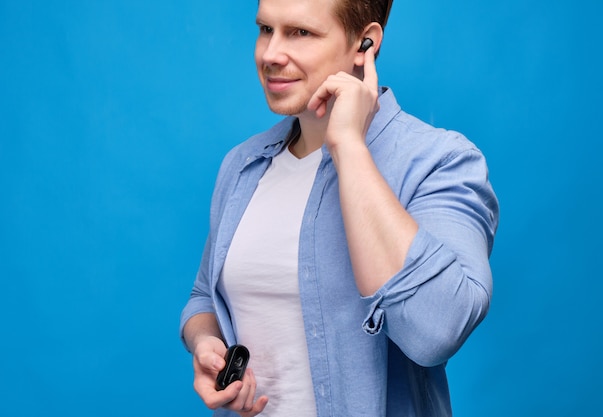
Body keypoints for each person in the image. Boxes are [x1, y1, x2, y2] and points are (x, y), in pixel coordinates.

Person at [180, 0, 499, 415]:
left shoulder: (439, 161)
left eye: (300, 33)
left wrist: (348, 146)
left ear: (363, 44)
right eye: (265, 30)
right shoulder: (242, 166)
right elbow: (203, 296)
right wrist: (206, 343)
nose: (271, 54)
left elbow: (437, 333)